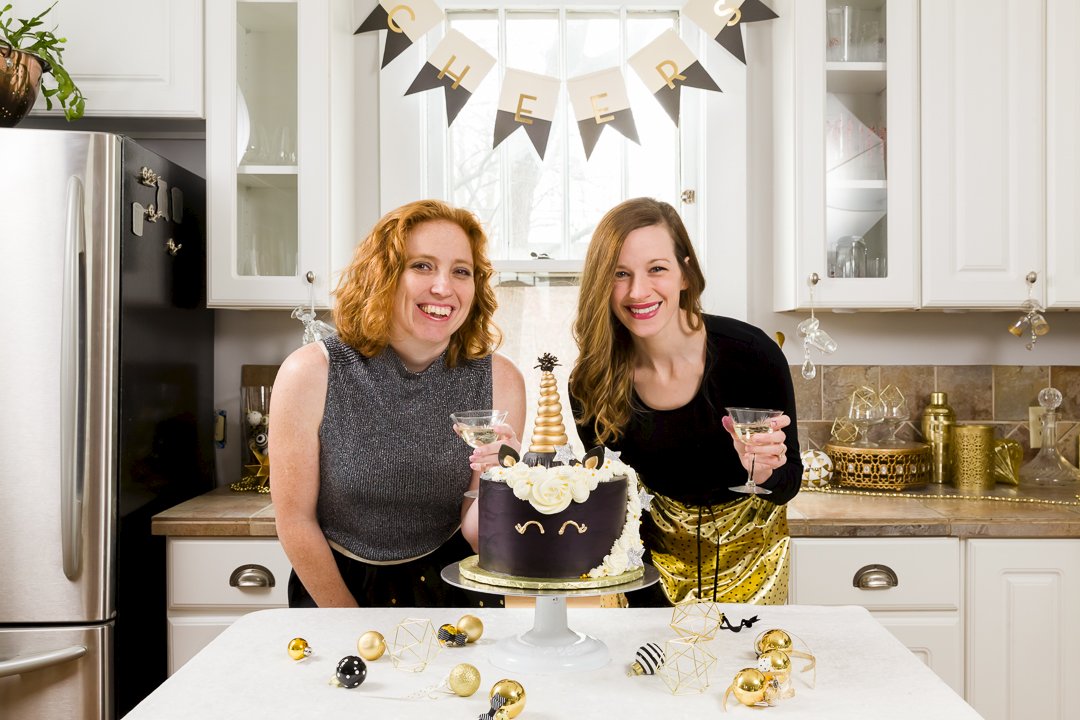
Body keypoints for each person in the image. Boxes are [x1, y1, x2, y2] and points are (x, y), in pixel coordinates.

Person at [270, 199, 526, 608]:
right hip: (336, 587)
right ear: (383, 276)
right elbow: (295, 522)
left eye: (461, 271)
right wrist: (350, 623)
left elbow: (478, 535)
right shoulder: (311, 373)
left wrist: (502, 485)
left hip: (454, 587)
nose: (444, 287)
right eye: (422, 266)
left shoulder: (500, 379)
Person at [568, 197, 802, 606]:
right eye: (619, 274)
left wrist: (765, 470)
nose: (638, 291)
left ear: (685, 273)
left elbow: (788, 484)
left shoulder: (752, 355)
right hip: (646, 573)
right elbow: (618, 507)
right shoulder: (592, 382)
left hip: (753, 568)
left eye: (657, 269)